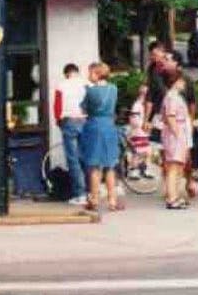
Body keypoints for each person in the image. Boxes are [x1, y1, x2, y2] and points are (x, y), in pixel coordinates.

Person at [79, 62, 123, 212]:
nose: (88, 76)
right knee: (110, 165)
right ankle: (112, 200)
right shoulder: (113, 89)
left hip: (94, 126)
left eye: (90, 73)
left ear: (96, 74)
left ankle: (95, 199)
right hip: (109, 126)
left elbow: (83, 108)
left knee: (94, 166)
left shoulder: (90, 91)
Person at [162, 50, 198, 199]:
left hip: (181, 123)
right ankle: (171, 191)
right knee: (170, 160)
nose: (163, 61)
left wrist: (190, 124)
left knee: (183, 159)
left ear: (177, 64)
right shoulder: (160, 77)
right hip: (169, 124)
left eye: (167, 59)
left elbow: (192, 103)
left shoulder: (186, 80)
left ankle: (187, 182)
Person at [54, 63, 88, 205]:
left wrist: (59, 121)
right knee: (86, 157)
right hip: (85, 120)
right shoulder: (86, 85)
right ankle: (91, 191)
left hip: (69, 121)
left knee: (73, 159)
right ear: (77, 72)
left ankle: (80, 194)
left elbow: (57, 106)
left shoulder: (61, 85)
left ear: (66, 74)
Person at [161, 67, 190, 209]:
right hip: (176, 133)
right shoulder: (172, 97)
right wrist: (179, 135)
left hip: (176, 132)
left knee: (178, 166)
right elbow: (170, 117)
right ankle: (172, 197)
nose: (184, 83)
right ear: (176, 81)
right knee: (174, 166)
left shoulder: (172, 96)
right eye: (182, 80)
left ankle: (175, 195)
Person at [125, 84, 153, 179]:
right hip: (138, 132)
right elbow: (134, 119)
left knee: (146, 151)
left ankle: (144, 168)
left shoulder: (143, 105)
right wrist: (142, 126)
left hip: (142, 132)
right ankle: (134, 170)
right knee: (138, 152)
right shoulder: (137, 105)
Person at [143, 41, 166, 135]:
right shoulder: (151, 68)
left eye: (155, 54)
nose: (152, 57)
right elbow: (150, 94)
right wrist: (146, 119)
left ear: (162, 52)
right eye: (151, 55)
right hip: (157, 109)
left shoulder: (169, 69)